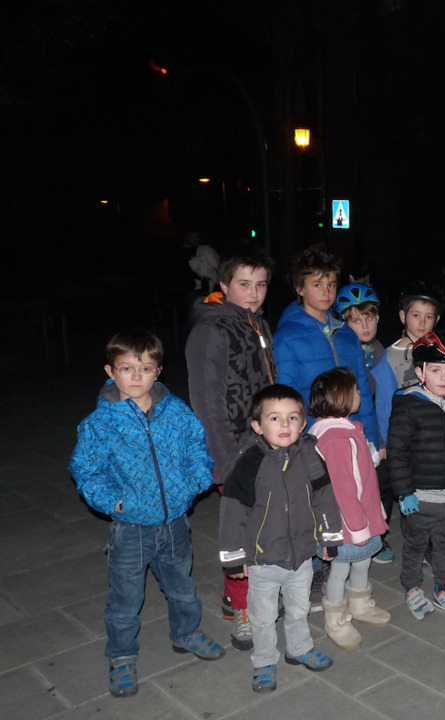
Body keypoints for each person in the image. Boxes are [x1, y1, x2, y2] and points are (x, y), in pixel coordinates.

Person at [70, 329, 225, 698]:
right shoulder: (99, 424)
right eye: (127, 368)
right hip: (131, 529)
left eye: (145, 368)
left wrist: (194, 483)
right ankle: (122, 655)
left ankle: (186, 633)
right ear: (111, 372)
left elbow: (198, 449)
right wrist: (114, 503)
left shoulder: (177, 412)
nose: (136, 376)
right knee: (125, 599)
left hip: (175, 523)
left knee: (182, 588)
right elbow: (86, 470)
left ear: (158, 371)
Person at [218, 384, 342, 693]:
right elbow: (232, 510)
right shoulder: (249, 462)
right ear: (257, 426)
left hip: (301, 555)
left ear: (303, 423)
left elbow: (325, 498)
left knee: (299, 609)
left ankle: (299, 648)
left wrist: (329, 537)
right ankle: (264, 661)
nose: (285, 424)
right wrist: (233, 556)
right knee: (262, 617)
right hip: (263, 559)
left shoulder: (310, 456)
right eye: (274, 418)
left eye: (292, 418)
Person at [185, 246, 277, 650]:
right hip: (234, 447)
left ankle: (235, 595)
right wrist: (224, 459)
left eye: (261, 285)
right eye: (244, 284)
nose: (253, 293)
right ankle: (242, 607)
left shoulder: (258, 324)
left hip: (262, 440)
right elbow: (206, 401)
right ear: (224, 285)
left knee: (263, 522)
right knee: (241, 530)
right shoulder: (212, 330)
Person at [386, 332, 445, 619]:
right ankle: (412, 586)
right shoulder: (409, 405)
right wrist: (404, 492)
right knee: (415, 546)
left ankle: (444, 586)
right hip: (420, 497)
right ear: (420, 372)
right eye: (436, 370)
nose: (444, 377)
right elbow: (397, 453)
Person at [308, 368, 391, 649]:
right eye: (355, 390)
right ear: (341, 396)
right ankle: (335, 617)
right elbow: (344, 490)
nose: (359, 394)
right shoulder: (337, 438)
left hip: (358, 514)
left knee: (363, 560)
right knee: (340, 568)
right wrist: (358, 528)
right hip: (347, 522)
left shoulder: (338, 428)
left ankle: (359, 603)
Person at [273, 245, 378, 445]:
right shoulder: (287, 337)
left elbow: (362, 390)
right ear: (300, 288)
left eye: (331, 285)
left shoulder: (347, 334)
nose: (326, 292)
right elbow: (285, 397)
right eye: (317, 285)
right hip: (313, 439)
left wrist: (372, 439)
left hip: (353, 435)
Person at [334, 282, 395, 564]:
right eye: (356, 321)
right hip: (354, 431)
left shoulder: (380, 350)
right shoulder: (343, 351)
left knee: (384, 486)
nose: (364, 326)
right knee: (356, 489)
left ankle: (378, 535)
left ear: (378, 317)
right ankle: (354, 534)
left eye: (369, 318)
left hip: (380, 430)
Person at [374, 281, 444, 444]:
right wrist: (389, 444)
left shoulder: (442, 350)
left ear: (436, 320)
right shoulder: (389, 358)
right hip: (408, 437)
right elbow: (385, 408)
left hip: (438, 433)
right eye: (416, 315)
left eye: (429, 317)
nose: (422, 322)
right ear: (403, 316)